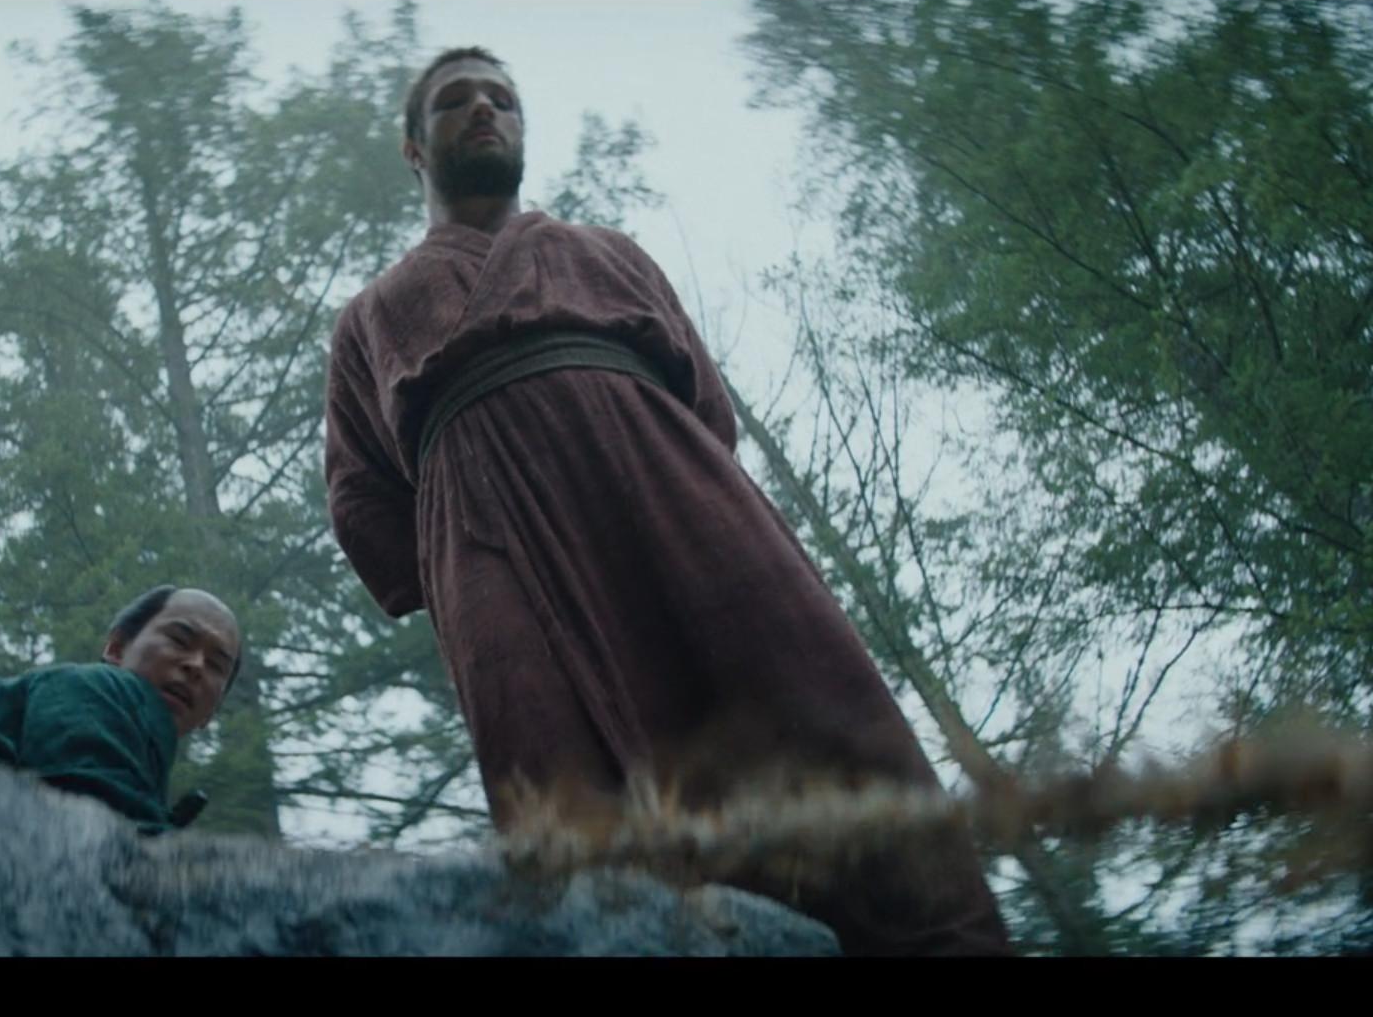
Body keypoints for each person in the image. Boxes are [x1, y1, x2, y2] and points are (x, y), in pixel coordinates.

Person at [323, 47, 1012, 955]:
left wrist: (656, 471)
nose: (484, 110)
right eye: (456, 102)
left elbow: (705, 407)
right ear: (415, 148)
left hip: (671, 493)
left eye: (502, 99)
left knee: (800, 689)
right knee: (551, 756)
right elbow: (361, 498)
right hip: (489, 540)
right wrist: (462, 550)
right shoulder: (371, 314)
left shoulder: (609, 254)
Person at [0, 585, 240, 834]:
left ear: (210, 713)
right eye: (180, 640)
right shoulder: (97, 687)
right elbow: (100, 833)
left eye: (216, 665)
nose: (196, 665)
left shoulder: (141, 754)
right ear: (116, 648)